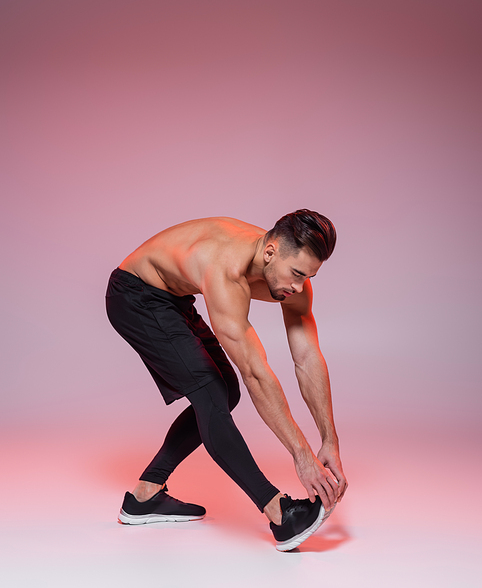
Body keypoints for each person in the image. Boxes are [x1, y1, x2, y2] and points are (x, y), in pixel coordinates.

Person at [105, 209, 347, 551]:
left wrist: (328, 440)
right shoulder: (224, 269)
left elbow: (307, 357)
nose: (298, 286)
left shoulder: (292, 279)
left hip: (173, 299)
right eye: (295, 273)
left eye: (308, 276)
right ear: (270, 251)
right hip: (134, 296)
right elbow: (256, 373)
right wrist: (302, 456)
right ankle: (280, 512)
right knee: (212, 394)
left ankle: (145, 496)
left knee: (225, 391)